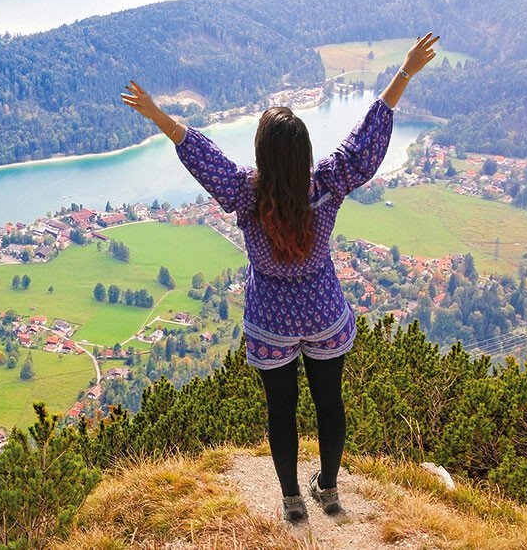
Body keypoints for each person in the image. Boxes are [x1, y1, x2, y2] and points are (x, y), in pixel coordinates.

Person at [121, 33, 440, 522]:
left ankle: (292, 500)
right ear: (305, 152)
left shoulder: (247, 193)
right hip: (323, 313)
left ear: (263, 154)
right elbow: (366, 140)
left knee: (281, 410)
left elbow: (199, 152)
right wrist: (404, 73)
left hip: (270, 319)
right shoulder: (328, 183)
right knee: (330, 404)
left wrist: (157, 115)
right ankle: (328, 490)